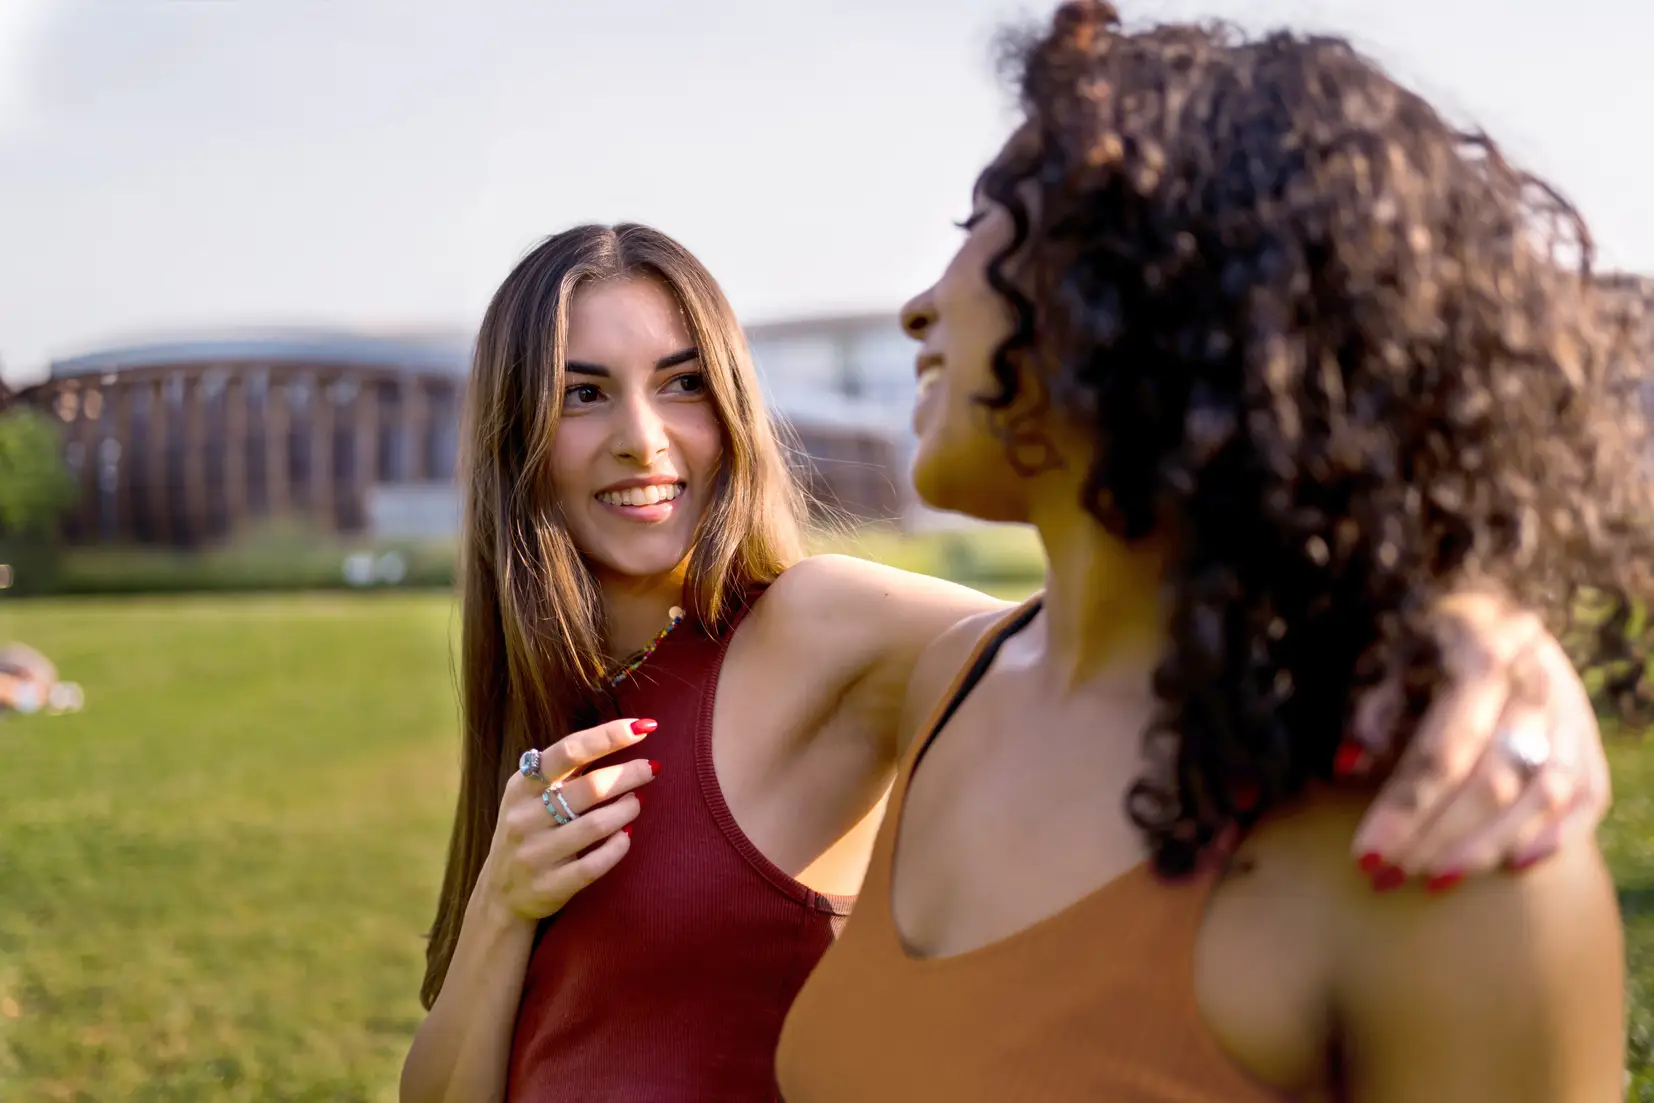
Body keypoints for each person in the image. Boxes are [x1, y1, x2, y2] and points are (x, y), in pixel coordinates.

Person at [400, 220, 1616, 1103]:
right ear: (518, 430)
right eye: (583, 393)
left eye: (682, 383)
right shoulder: (540, 709)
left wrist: (1463, 627)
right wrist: (504, 905)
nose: (645, 437)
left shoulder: (809, 625)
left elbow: (1111, 634)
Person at [775, 5, 1649, 1100]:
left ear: (1152, 283)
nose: (916, 308)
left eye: (981, 218)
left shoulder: (1445, 845)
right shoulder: (945, 682)